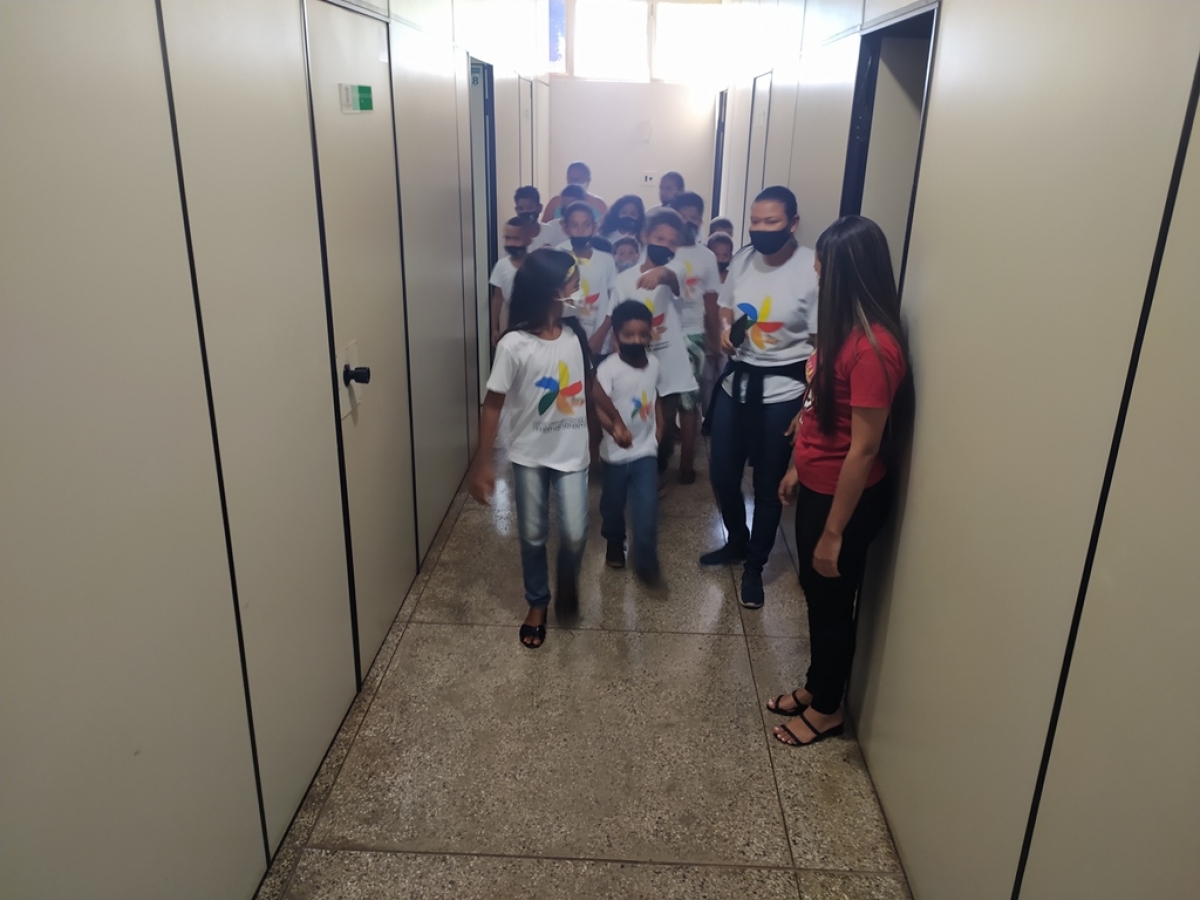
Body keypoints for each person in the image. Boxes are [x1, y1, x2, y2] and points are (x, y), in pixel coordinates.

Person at [767, 215, 909, 747]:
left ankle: (827, 708)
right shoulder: (843, 331)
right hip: (819, 485)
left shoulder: (874, 348)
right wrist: (795, 468)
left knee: (831, 602)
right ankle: (816, 685)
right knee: (816, 594)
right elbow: (817, 408)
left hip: (845, 502)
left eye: (823, 267)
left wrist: (833, 533)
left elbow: (865, 446)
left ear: (847, 272)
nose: (817, 273)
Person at [469, 249, 627, 649]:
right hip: (529, 455)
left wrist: (615, 420)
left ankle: (568, 577)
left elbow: (589, 383)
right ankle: (537, 602)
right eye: (574, 283)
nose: (579, 290)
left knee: (574, 533)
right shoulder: (514, 345)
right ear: (554, 290)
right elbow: (493, 404)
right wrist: (482, 463)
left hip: (572, 453)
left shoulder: (575, 335)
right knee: (533, 533)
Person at [702, 186, 818, 610]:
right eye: (755, 221)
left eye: (772, 221)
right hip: (737, 382)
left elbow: (823, 345)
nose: (762, 229)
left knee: (768, 486)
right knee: (722, 474)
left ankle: (755, 566)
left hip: (785, 390)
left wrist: (809, 407)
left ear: (793, 223)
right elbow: (726, 307)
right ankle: (736, 540)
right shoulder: (742, 260)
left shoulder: (812, 268)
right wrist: (724, 330)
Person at [610, 209, 696, 480]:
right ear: (645, 236)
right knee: (639, 417)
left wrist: (658, 273)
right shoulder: (623, 280)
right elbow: (615, 324)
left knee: (665, 422)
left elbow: (671, 276)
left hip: (669, 365)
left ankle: (658, 470)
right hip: (635, 363)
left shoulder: (677, 269)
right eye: (660, 239)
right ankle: (637, 468)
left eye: (672, 242)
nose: (666, 246)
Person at [595, 300, 665, 585]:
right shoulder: (608, 369)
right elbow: (599, 406)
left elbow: (655, 396)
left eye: (642, 335)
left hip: (645, 450)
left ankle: (646, 559)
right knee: (613, 505)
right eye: (629, 335)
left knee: (647, 505)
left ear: (650, 334)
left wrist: (660, 428)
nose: (636, 340)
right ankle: (614, 540)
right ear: (617, 336)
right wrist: (613, 429)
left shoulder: (655, 364)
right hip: (614, 454)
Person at [668, 191, 722, 484]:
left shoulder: (707, 256)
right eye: (682, 216)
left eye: (693, 217)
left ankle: (687, 464)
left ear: (700, 220)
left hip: (694, 335)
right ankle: (661, 459)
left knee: (690, 402)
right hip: (662, 333)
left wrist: (714, 340)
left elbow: (711, 303)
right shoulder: (663, 250)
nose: (688, 222)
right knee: (663, 402)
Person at [558, 202, 618, 359]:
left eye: (586, 225)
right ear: (565, 228)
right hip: (565, 337)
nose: (580, 231)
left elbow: (614, 300)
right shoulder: (558, 256)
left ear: (595, 227)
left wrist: (601, 334)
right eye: (575, 225)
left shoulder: (606, 260)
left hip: (599, 338)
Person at [489, 217, 531, 346]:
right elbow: (497, 299)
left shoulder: (536, 264)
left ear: (528, 239)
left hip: (537, 325)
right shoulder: (501, 266)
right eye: (507, 238)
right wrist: (494, 328)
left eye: (517, 239)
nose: (511, 243)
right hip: (513, 324)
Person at [542, 161, 607, 222]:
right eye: (571, 179)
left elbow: (607, 228)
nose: (574, 182)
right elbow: (544, 228)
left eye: (578, 179)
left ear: (588, 180)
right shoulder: (555, 202)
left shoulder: (599, 205)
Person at [514, 185, 567, 251]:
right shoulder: (512, 235)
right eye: (520, 208)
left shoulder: (551, 232)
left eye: (529, 208)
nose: (525, 212)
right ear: (516, 210)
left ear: (539, 208)